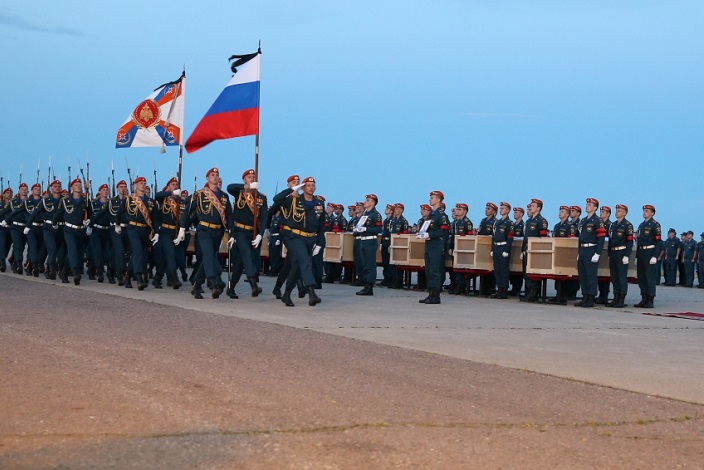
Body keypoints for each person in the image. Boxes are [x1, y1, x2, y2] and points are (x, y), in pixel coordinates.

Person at [176, 168, 233, 299]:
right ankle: (214, 283)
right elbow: (187, 209)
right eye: (212, 175)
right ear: (207, 178)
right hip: (204, 229)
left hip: (218, 231)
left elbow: (229, 215)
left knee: (208, 258)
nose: (215, 177)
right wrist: (182, 229)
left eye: (217, 175)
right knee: (208, 255)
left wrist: (232, 233)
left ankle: (196, 286)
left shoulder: (224, 196)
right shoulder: (201, 194)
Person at [272, 176, 326, 307]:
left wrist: (320, 243)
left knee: (297, 266)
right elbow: (276, 199)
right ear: (303, 187)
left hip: (310, 238)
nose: (311, 187)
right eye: (308, 185)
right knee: (304, 261)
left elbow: (321, 226)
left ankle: (287, 293)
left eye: (313, 185)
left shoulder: (319, 203)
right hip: (295, 236)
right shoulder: (293, 200)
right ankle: (311, 293)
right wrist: (292, 189)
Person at [226, 169, 268, 297]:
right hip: (240, 231)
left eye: (253, 177)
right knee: (246, 253)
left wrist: (260, 234)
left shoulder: (261, 197)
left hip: (253, 232)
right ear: (244, 180)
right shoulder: (239, 193)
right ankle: (253, 284)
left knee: (242, 261)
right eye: (249, 177)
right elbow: (229, 187)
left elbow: (264, 217)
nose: (252, 178)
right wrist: (247, 187)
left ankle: (231, 287)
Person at [118, 176, 160, 291]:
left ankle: (127, 275)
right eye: (140, 183)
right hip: (132, 229)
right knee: (137, 251)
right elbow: (120, 213)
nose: (143, 184)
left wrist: (156, 233)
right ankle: (139, 277)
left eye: (144, 183)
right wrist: (118, 225)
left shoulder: (150, 202)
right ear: (135, 185)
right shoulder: (129, 199)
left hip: (145, 230)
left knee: (140, 253)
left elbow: (155, 219)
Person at [52, 178, 90, 285]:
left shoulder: (85, 200)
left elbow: (89, 212)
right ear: (72, 187)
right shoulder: (66, 200)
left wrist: (89, 220)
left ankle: (64, 271)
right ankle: (75, 272)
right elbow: (58, 213)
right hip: (69, 230)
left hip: (81, 230)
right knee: (72, 250)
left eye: (80, 185)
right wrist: (54, 224)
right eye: (76, 185)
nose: (78, 186)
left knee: (74, 253)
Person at [419, 190, 450, 304]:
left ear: (438, 200)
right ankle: (430, 293)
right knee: (428, 270)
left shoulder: (441, 215)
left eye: (432, 198)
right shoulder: (431, 214)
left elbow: (443, 231)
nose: (430, 199)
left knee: (435, 271)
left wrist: (430, 234)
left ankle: (436, 295)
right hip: (429, 244)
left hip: (436, 244)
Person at [574, 198, 606, 308]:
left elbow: (601, 238)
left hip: (591, 249)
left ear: (595, 207)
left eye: (590, 204)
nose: (587, 206)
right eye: (587, 204)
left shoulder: (598, 220)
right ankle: (585, 296)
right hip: (583, 249)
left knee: (590, 275)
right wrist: (579, 252)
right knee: (583, 275)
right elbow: (580, 238)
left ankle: (591, 297)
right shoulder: (583, 221)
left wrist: (597, 253)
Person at [153, 177, 183, 289]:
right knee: (170, 255)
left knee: (167, 257)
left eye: (176, 184)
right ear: (168, 187)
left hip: (176, 233)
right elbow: (157, 196)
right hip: (165, 231)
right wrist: (171, 193)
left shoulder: (180, 201)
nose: (175, 186)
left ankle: (157, 278)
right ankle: (174, 279)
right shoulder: (164, 199)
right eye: (172, 184)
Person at [353, 194, 383, 296]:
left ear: (373, 202)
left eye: (368, 200)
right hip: (363, 241)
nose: (365, 201)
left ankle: (369, 286)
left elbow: (379, 229)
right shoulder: (365, 214)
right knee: (364, 265)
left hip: (370, 241)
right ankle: (365, 284)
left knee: (370, 265)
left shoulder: (376, 215)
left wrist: (366, 229)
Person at [520, 198, 549, 303]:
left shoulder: (541, 221)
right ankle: (528, 292)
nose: (531, 207)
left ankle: (534, 293)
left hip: (535, 250)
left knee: (533, 273)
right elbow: (525, 238)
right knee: (526, 272)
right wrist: (522, 251)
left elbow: (543, 238)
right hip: (527, 249)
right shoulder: (528, 221)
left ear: (538, 208)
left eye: (533, 206)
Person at [547, 205, 576, 305]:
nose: (560, 213)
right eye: (560, 211)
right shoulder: (557, 226)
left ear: (567, 214)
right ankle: (558, 294)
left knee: (563, 276)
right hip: (557, 253)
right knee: (557, 275)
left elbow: (571, 241)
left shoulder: (569, 226)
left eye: (563, 211)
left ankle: (563, 296)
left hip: (565, 254)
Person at [606, 204, 633, 308]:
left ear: (624, 213)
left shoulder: (627, 225)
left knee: (621, 277)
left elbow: (630, 242)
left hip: (622, 253)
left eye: (619, 210)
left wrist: (627, 255)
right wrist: (609, 253)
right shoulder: (613, 225)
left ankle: (621, 299)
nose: (617, 212)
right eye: (616, 210)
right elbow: (610, 241)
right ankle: (615, 297)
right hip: (613, 253)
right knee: (614, 277)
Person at [635, 204, 662, 308]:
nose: (644, 212)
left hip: (650, 252)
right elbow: (639, 241)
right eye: (644, 210)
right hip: (641, 252)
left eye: (647, 211)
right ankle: (644, 297)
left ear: (652, 213)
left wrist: (655, 256)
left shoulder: (655, 224)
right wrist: (637, 256)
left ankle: (650, 299)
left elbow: (658, 242)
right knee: (641, 277)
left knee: (649, 277)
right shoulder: (641, 225)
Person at [490, 202, 515, 299]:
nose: (501, 210)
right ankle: (499, 289)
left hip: (503, 247)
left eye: (503, 208)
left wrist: (507, 250)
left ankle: (504, 290)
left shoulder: (509, 223)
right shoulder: (497, 222)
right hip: (496, 247)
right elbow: (493, 236)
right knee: (497, 270)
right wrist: (492, 248)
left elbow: (510, 238)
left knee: (504, 270)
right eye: (500, 208)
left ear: (508, 210)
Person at [88, 183, 112, 283]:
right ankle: (99, 272)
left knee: (106, 253)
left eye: (107, 190)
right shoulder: (94, 204)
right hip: (96, 230)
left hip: (107, 230)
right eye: (103, 190)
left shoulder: (111, 203)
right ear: (99, 192)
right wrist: (89, 226)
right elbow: (89, 215)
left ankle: (95, 268)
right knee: (97, 252)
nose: (105, 192)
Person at [3, 182, 29, 274]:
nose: (24, 190)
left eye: (25, 189)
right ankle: (18, 264)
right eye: (22, 189)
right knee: (18, 246)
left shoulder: (29, 201)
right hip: (16, 227)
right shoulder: (13, 202)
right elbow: (5, 211)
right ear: (19, 190)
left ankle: (14, 261)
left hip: (26, 227)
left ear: (28, 191)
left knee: (21, 247)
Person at [477, 202, 498, 297]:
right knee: (483, 267)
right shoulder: (483, 221)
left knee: (490, 269)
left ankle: (490, 288)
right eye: (486, 208)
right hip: (482, 247)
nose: (486, 210)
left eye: (489, 209)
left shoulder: (495, 222)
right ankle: (483, 288)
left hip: (490, 246)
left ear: (494, 212)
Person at [595, 205, 613, 304]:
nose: (601, 213)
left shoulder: (610, 225)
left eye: (603, 212)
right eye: (601, 212)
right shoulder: (599, 224)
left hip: (606, 252)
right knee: (600, 274)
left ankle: (604, 295)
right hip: (600, 251)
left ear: (608, 214)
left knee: (605, 275)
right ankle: (601, 294)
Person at [509, 206, 525, 296]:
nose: (515, 214)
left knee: (518, 271)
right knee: (513, 270)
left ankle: (517, 288)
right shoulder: (513, 225)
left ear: (521, 214)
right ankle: (514, 288)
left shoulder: (523, 225)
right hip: (513, 249)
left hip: (519, 249)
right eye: (514, 212)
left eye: (517, 212)